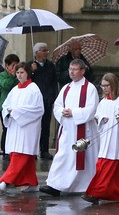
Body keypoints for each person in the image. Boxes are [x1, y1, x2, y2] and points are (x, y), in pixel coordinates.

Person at [42, 59, 99, 196]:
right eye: (70, 69)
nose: (71, 72)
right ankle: (55, 185)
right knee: (62, 156)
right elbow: (57, 105)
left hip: (83, 129)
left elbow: (92, 109)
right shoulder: (66, 87)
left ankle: (83, 186)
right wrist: (62, 112)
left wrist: (74, 112)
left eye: (75, 69)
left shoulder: (90, 88)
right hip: (67, 129)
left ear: (83, 71)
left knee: (81, 158)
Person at [83, 73, 119, 204]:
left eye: (107, 85)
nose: (104, 88)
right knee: (109, 170)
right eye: (102, 86)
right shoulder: (103, 101)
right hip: (105, 140)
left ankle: (95, 194)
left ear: (113, 85)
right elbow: (97, 115)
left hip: (116, 141)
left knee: (108, 168)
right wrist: (101, 119)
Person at [0, 62, 44, 193]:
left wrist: (16, 111)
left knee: (21, 154)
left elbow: (38, 109)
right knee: (23, 155)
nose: (19, 75)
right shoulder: (15, 89)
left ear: (28, 73)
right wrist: (9, 112)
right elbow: (5, 105)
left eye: (22, 72)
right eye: (17, 73)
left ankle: (5, 180)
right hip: (15, 126)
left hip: (28, 128)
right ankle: (31, 182)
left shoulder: (34, 89)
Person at [29, 42, 57, 159]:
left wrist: (53, 97)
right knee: (34, 126)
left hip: (47, 100)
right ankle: (32, 150)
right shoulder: (30, 65)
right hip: (34, 102)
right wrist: (32, 71)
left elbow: (54, 83)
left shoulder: (51, 66)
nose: (46, 53)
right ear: (37, 53)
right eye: (44, 51)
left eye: (47, 50)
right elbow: (26, 81)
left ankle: (44, 150)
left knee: (45, 126)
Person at [0, 54, 20, 157]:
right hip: (4, 106)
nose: (15, 67)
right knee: (6, 128)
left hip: (16, 106)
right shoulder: (2, 75)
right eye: (13, 65)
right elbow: (6, 85)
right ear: (7, 65)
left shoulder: (19, 75)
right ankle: (5, 150)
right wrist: (12, 75)